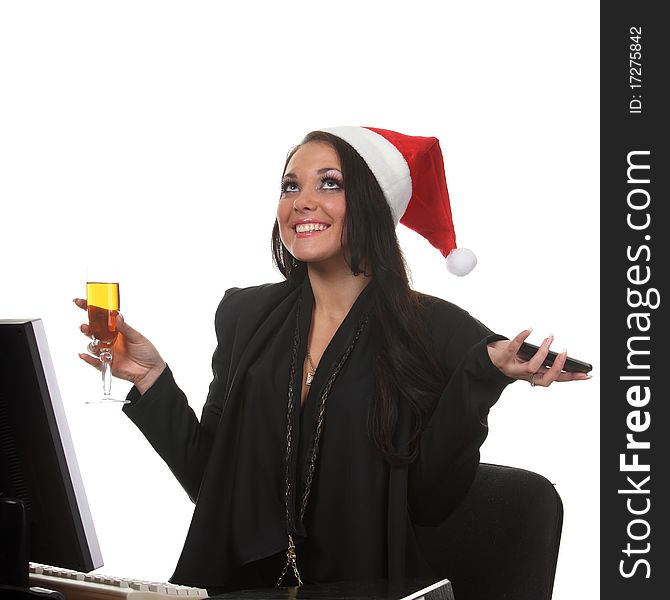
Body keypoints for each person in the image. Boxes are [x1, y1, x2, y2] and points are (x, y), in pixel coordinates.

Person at [76, 126, 589, 593]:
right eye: (290, 186)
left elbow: (431, 500)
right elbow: (214, 487)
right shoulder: (244, 315)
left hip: (361, 589)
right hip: (242, 587)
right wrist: (150, 379)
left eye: (329, 184)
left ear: (370, 203)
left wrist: (483, 377)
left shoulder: (433, 328)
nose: (302, 202)